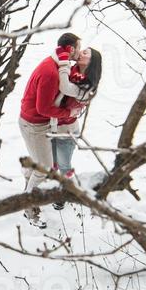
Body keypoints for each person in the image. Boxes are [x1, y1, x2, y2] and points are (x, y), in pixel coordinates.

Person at [18, 32, 83, 228]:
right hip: (34, 125)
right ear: (70, 49)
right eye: (78, 48)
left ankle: (29, 175)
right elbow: (44, 109)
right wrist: (68, 111)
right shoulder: (50, 72)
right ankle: (29, 208)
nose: (79, 52)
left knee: (40, 162)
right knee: (45, 167)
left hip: (38, 123)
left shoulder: (57, 64)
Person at [48, 47, 100, 208]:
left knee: (64, 165)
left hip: (67, 130)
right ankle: (46, 189)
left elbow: (64, 87)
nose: (80, 53)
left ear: (91, 62)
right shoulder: (72, 70)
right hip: (53, 126)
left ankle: (62, 194)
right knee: (51, 162)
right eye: (82, 50)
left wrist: (63, 64)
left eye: (85, 53)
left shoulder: (87, 85)